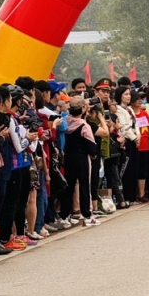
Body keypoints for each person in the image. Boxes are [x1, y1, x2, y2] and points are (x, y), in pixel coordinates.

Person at [57, 96, 99, 227]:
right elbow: (91, 146)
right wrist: (94, 154)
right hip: (82, 158)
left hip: (68, 157)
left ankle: (64, 216)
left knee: (68, 187)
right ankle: (87, 215)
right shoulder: (84, 126)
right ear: (82, 109)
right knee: (84, 186)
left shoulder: (64, 123)